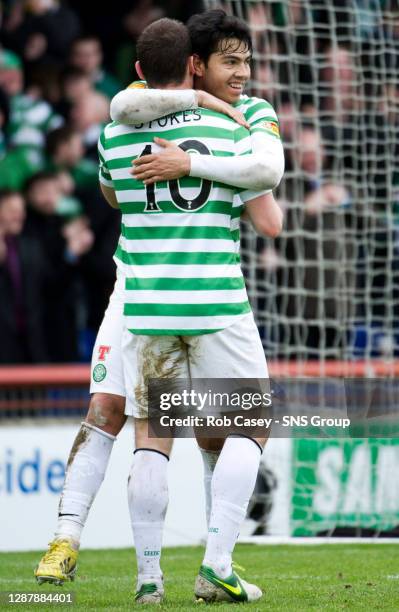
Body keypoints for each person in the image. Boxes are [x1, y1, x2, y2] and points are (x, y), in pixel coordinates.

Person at [34, 12, 284, 600]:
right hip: (213, 300)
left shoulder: (115, 133)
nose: (242, 73)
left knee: (144, 428)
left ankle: (148, 580)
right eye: (233, 61)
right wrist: (209, 167)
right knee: (239, 426)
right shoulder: (240, 123)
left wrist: (175, 163)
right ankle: (216, 561)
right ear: (197, 65)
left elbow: (112, 187)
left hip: (145, 302)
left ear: (142, 70)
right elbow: (271, 215)